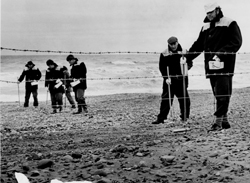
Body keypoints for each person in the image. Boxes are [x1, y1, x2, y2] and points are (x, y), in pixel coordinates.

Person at [186, 2, 242, 131]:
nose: (209, 15)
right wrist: (187, 57)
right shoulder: (205, 27)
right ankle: (224, 119)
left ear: (217, 10)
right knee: (217, 93)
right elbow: (198, 45)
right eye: (207, 13)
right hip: (211, 66)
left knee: (223, 93)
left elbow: (236, 42)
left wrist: (220, 54)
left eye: (211, 12)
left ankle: (217, 122)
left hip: (225, 65)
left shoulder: (230, 23)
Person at [152, 36, 192, 124]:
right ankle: (161, 118)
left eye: (174, 44)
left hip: (182, 79)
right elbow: (162, 67)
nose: (173, 46)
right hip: (170, 80)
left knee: (184, 99)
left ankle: (184, 117)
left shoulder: (184, 52)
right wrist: (166, 78)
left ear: (177, 42)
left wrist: (186, 66)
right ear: (168, 44)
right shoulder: (164, 53)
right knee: (166, 99)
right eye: (171, 44)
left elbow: (190, 62)